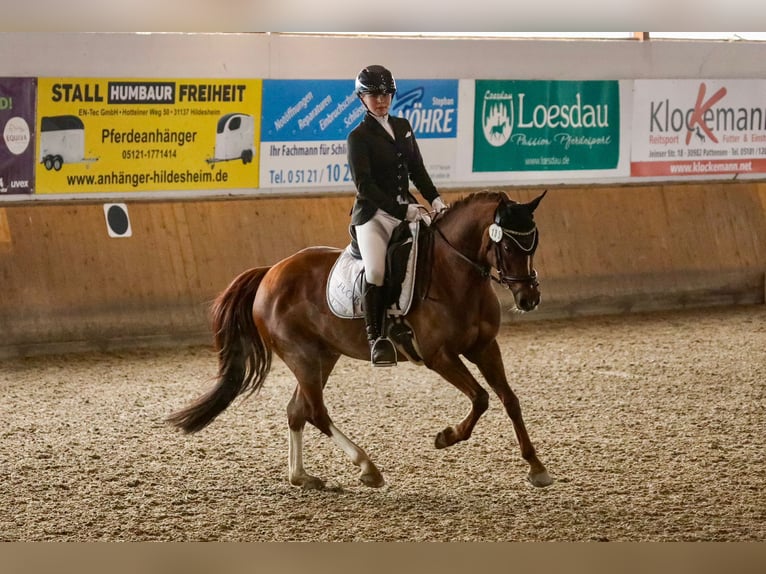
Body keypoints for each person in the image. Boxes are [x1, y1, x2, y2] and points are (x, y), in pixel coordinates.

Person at [347, 64, 449, 366]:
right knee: (376, 271)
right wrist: (402, 210)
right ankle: (376, 337)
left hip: (409, 207)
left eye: (386, 93)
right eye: (373, 95)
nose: (381, 100)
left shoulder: (403, 126)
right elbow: (365, 186)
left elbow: (417, 169)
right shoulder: (359, 137)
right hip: (374, 215)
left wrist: (436, 199)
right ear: (361, 98)